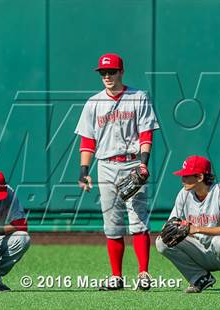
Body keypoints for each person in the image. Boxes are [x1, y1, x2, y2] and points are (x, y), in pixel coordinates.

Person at [74, 53, 160, 290]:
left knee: (138, 220)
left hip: (132, 163)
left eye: (111, 71)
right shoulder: (93, 103)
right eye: (103, 73)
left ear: (121, 72)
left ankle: (143, 274)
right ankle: (116, 277)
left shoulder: (138, 97)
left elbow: (146, 134)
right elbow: (87, 140)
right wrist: (84, 170)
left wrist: (144, 162)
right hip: (105, 165)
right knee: (111, 223)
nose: (107, 76)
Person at [156, 155, 220, 293]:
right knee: (162, 242)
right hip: (200, 250)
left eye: (186, 176)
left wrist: (197, 229)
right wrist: (169, 228)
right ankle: (200, 278)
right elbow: (172, 223)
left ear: (200, 177)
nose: (182, 180)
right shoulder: (184, 194)